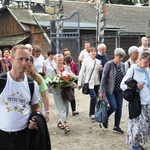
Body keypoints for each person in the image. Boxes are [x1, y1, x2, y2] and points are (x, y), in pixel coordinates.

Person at [0, 44, 41, 150]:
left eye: (27, 59)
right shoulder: (2, 81)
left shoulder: (32, 85)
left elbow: (36, 106)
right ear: (11, 60)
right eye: (20, 59)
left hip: (23, 136)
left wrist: (36, 118)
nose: (24, 63)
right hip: (2, 137)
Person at [120, 51, 150, 150]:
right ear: (140, 59)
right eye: (145, 62)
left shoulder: (147, 71)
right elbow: (123, 85)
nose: (147, 64)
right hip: (135, 103)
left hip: (146, 103)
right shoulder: (132, 70)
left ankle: (139, 145)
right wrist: (135, 86)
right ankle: (134, 146)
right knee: (136, 126)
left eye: (148, 62)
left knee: (144, 126)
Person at [99, 48, 126, 133]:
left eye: (122, 57)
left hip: (119, 90)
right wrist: (101, 91)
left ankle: (116, 126)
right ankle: (104, 117)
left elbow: (125, 77)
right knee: (114, 106)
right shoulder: (109, 64)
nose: (121, 59)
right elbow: (104, 78)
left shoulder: (123, 65)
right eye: (119, 57)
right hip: (110, 90)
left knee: (119, 108)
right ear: (115, 56)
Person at [49, 54, 73, 133]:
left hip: (66, 91)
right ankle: (65, 125)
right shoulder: (53, 70)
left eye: (61, 60)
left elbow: (71, 76)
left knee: (66, 108)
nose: (60, 61)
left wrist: (71, 81)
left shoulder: (67, 68)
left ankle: (60, 121)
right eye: (59, 60)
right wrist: (57, 82)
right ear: (55, 61)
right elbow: (50, 81)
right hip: (57, 92)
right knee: (61, 108)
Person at [78, 47, 101, 121]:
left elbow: (101, 72)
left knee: (96, 98)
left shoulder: (98, 61)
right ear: (88, 53)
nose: (93, 53)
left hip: (97, 82)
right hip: (89, 82)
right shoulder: (85, 61)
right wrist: (79, 83)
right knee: (93, 97)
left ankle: (96, 112)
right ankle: (91, 113)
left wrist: (101, 69)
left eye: (94, 51)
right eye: (91, 51)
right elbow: (81, 72)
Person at [25, 55, 50, 122]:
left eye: (29, 66)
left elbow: (45, 95)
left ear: (33, 65)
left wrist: (47, 111)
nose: (27, 68)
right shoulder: (20, 77)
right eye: (26, 66)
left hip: (36, 108)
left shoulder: (38, 78)